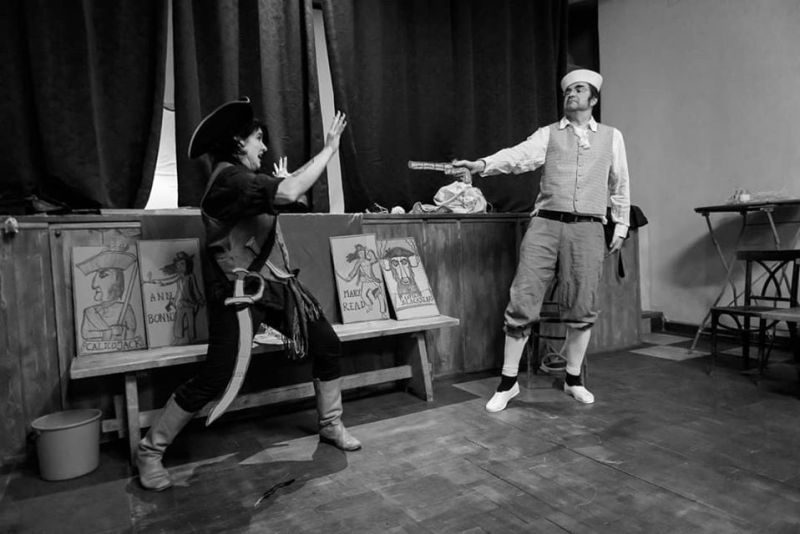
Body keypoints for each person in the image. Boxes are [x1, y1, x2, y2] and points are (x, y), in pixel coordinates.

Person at [136, 97, 360, 492]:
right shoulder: (229, 181)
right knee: (215, 377)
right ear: (238, 142)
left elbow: (291, 196)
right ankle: (150, 450)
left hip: (273, 286)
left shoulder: (243, 180)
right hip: (236, 295)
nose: (263, 146)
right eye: (258, 139)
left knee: (326, 342)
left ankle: (330, 424)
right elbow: (289, 193)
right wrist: (329, 149)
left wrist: (286, 183)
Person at [452, 68, 631, 410]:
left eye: (579, 90)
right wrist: (482, 164)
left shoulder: (612, 137)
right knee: (524, 297)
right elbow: (517, 156)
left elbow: (620, 183)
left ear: (593, 99)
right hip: (546, 224)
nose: (571, 94)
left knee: (583, 303)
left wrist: (620, 226)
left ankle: (573, 379)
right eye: (568, 91)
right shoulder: (549, 134)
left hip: (588, 227)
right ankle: (508, 383)